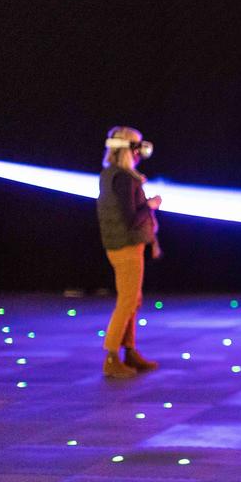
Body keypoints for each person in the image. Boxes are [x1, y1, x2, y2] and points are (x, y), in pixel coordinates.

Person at [96, 126, 162, 378]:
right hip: (126, 246)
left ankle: (130, 351)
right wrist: (152, 205)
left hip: (122, 244)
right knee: (127, 301)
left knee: (133, 299)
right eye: (136, 147)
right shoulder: (123, 178)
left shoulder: (112, 175)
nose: (139, 152)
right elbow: (131, 218)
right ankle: (112, 356)